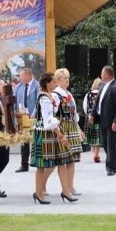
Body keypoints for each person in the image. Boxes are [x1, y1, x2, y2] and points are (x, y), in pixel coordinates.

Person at [30, 72, 76, 204]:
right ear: (47, 83)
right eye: (54, 82)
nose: (56, 84)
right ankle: (38, 193)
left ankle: (66, 191)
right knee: (42, 165)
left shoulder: (49, 96)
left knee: (62, 160)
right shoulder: (44, 98)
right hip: (45, 133)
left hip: (51, 132)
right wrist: (61, 135)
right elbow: (48, 120)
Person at [53, 69, 84, 194]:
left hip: (71, 126)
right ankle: (42, 185)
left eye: (67, 78)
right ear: (58, 80)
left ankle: (70, 186)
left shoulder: (68, 94)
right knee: (60, 159)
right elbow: (53, 114)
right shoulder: (55, 95)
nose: (67, 80)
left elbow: (74, 114)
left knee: (72, 158)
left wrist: (79, 129)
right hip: (62, 127)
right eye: (64, 78)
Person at [91, 66, 116, 176]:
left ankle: (110, 167)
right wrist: (92, 113)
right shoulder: (102, 86)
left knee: (111, 144)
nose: (101, 75)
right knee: (105, 143)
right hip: (102, 119)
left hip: (111, 121)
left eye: (102, 73)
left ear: (106, 74)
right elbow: (97, 102)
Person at [13, 68, 39, 173]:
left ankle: (38, 162)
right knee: (23, 141)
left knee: (37, 139)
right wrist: (15, 116)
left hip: (34, 117)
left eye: (21, 76)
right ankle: (24, 165)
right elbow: (14, 102)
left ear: (28, 76)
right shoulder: (18, 87)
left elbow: (39, 101)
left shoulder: (37, 85)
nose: (19, 78)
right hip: (22, 117)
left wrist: (34, 114)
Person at [83, 78, 102, 163]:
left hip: (90, 116)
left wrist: (88, 113)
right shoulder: (101, 94)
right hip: (99, 117)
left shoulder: (88, 95)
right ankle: (96, 154)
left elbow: (85, 106)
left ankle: (95, 154)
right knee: (97, 137)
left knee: (93, 136)